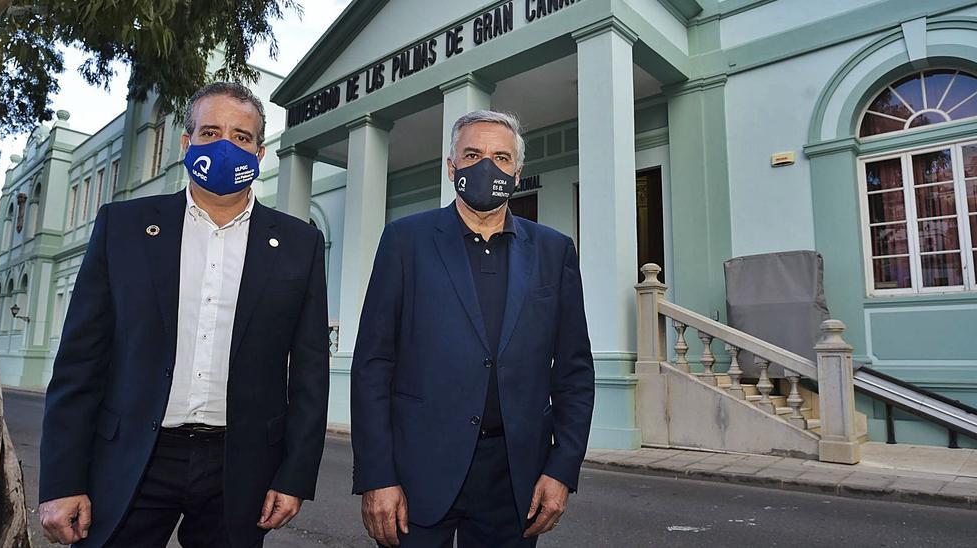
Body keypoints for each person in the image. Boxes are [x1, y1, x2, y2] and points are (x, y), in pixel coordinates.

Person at [37, 82, 330, 548]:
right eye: (211, 131)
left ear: (259, 150)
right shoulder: (123, 227)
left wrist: (295, 474)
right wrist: (61, 481)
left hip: (241, 464)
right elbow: (79, 362)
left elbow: (311, 370)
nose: (226, 146)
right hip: (132, 457)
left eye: (241, 137)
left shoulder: (299, 243)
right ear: (186, 142)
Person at [351, 110, 595, 547]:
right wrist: (377, 475)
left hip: (514, 478)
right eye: (473, 154)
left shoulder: (554, 252)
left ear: (517, 173)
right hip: (416, 475)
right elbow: (373, 364)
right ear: (452, 168)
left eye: (501, 158)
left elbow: (574, 370)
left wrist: (562, 469)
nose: (488, 167)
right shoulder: (405, 241)